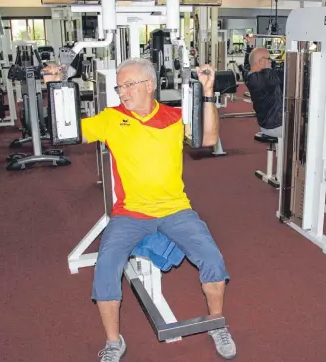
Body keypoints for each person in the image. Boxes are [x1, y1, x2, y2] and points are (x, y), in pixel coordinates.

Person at [48, 58, 237, 361]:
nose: (121, 92)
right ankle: (113, 342)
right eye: (119, 86)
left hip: (176, 209)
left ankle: (216, 324)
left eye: (128, 85)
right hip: (130, 213)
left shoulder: (175, 118)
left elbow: (210, 138)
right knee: (106, 267)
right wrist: (54, 89)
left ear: (149, 86)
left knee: (212, 258)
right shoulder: (112, 118)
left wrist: (208, 94)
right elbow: (66, 132)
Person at [245, 47, 283, 138]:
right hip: (276, 127)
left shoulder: (249, 75)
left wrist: (249, 44)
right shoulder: (265, 78)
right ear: (261, 61)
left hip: (267, 124)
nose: (271, 61)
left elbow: (247, 63)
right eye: (269, 58)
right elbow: (286, 72)